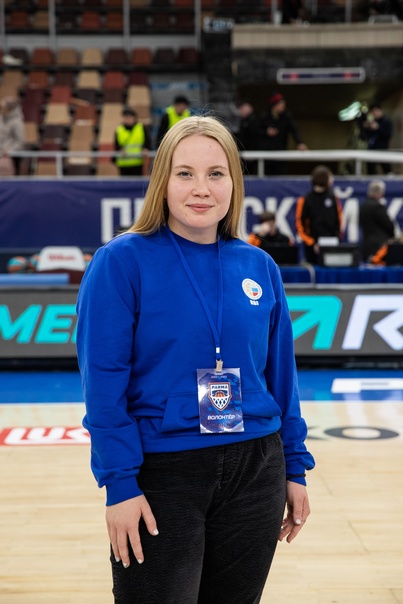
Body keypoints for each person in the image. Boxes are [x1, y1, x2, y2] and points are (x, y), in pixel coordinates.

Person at [76, 115, 314, 604]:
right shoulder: (120, 261)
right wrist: (119, 484)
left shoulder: (259, 265)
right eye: (184, 173)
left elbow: (281, 378)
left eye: (216, 173)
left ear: (234, 183)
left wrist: (295, 467)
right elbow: (103, 385)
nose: (201, 188)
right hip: (162, 474)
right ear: (162, 182)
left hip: (256, 469)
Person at [295, 164, 343, 264]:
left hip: (331, 246)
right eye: (330, 177)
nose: (332, 179)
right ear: (324, 178)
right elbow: (299, 225)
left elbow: (339, 221)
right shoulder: (305, 200)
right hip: (312, 249)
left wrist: (336, 240)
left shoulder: (333, 198)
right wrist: (312, 244)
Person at [259, 92, 308, 175]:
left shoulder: (287, 116)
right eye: (281, 104)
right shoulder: (264, 116)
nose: (283, 106)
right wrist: (266, 132)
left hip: (281, 152)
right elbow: (256, 131)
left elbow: (294, 129)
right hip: (267, 154)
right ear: (275, 105)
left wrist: (299, 143)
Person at [359, 179, 395, 262]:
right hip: (380, 248)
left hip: (366, 246)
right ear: (380, 193)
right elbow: (389, 226)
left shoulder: (362, 207)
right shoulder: (378, 207)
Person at [114, 107, 151, 176]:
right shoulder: (119, 129)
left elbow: (147, 141)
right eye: (125, 117)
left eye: (129, 117)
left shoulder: (140, 127)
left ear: (134, 118)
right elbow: (116, 145)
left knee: (137, 181)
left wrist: (145, 148)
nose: (127, 119)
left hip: (137, 161)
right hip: (124, 163)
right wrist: (120, 150)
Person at [359, 102, 393, 175]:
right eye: (372, 111)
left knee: (387, 170)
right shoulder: (370, 122)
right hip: (371, 149)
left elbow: (388, 135)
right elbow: (362, 137)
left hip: (383, 150)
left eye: (376, 110)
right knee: (371, 170)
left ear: (380, 110)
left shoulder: (386, 122)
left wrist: (378, 128)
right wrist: (364, 127)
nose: (374, 113)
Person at [0, 96, 25, 175]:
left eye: (3, 108)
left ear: (9, 109)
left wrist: (10, 150)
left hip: (10, 156)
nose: (1, 109)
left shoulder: (17, 122)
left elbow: (20, 141)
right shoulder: (1, 118)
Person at [236, 99, 260, 175]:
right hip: (243, 155)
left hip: (250, 156)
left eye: (243, 108)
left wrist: (252, 152)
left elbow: (254, 139)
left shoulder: (253, 122)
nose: (240, 111)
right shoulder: (242, 122)